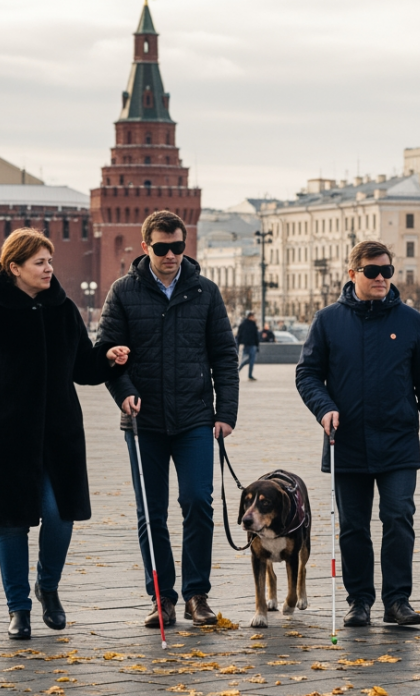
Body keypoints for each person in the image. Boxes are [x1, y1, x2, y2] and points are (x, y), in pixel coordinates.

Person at [0, 229, 129, 639]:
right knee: (11, 523)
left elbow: (83, 367)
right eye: (40, 263)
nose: (49, 269)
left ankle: (47, 586)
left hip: (59, 436)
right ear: (15, 268)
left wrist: (109, 358)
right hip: (4, 438)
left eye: (50, 261)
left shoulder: (63, 311)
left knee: (60, 515)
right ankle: (18, 608)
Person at [98, 211, 239, 629]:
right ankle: (162, 599)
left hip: (196, 418)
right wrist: (124, 393)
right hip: (144, 423)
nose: (172, 255)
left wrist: (226, 412)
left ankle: (198, 595)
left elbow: (225, 358)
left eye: (178, 247)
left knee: (198, 502)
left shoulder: (205, 292)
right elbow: (108, 352)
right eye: (162, 248)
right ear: (146, 248)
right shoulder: (123, 292)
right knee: (151, 514)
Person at [296, 241, 420, 627]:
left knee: (398, 517)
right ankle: (359, 600)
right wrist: (324, 407)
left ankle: (398, 601)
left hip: (397, 439)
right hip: (347, 440)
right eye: (372, 271)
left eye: (387, 271)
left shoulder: (411, 320)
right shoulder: (328, 320)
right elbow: (307, 374)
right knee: (354, 526)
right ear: (352, 274)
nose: (381, 278)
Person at [237, 311, 260, 381]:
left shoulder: (245, 324)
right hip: (249, 345)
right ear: (249, 317)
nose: (253, 318)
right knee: (245, 360)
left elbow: (239, 335)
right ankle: (237, 372)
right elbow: (255, 336)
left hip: (249, 344)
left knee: (250, 361)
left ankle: (249, 375)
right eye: (252, 316)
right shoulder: (248, 324)